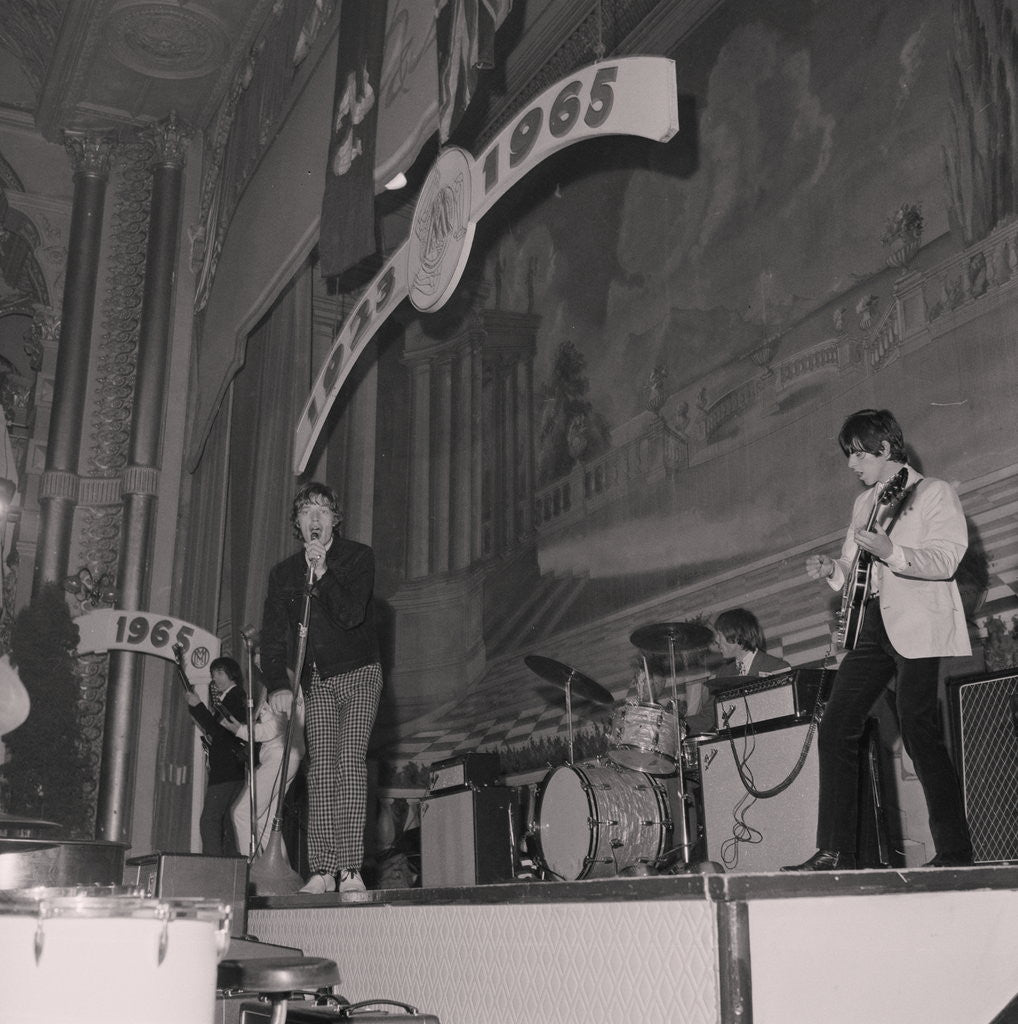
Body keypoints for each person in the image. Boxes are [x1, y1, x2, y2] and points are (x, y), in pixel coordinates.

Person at [783, 408, 972, 871]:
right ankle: (836, 852)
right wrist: (833, 569)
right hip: (873, 626)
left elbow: (947, 559)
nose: (851, 464)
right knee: (836, 724)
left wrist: (894, 551)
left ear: (885, 448)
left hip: (919, 623)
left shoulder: (934, 492)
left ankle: (954, 852)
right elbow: (854, 567)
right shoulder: (864, 503)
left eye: (858, 454)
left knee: (918, 730)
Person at [260, 481, 382, 894]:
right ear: (297, 523)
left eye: (323, 511)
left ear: (334, 520)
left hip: (361, 672)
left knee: (349, 761)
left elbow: (350, 615)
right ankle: (323, 869)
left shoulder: (357, 557)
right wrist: (278, 684)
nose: (315, 518)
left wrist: (324, 571)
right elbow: (272, 638)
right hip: (319, 680)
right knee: (321, 769)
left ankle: (349, 867)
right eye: (306, 512)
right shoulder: (283, 574)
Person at [222, 684, 305, 859]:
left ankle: (251, 870)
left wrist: (240, 730)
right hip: (285, 756)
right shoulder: (278, 683)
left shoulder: (282, 682)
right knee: (264, 822)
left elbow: (275, 728)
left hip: (280, 756)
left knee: (242, 813)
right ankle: (281, 873)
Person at [184, 656, 249, 856]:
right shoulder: (232, 697)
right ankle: (230, 865)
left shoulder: (234, 696)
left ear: (232, 673)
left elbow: (217, 730)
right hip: (231, 769)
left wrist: (197, 705)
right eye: (213, 675)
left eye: (220, 673)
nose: (216, 678)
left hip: (225, 769)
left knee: (209, 820)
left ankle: (213, 865)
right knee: (226, 821)